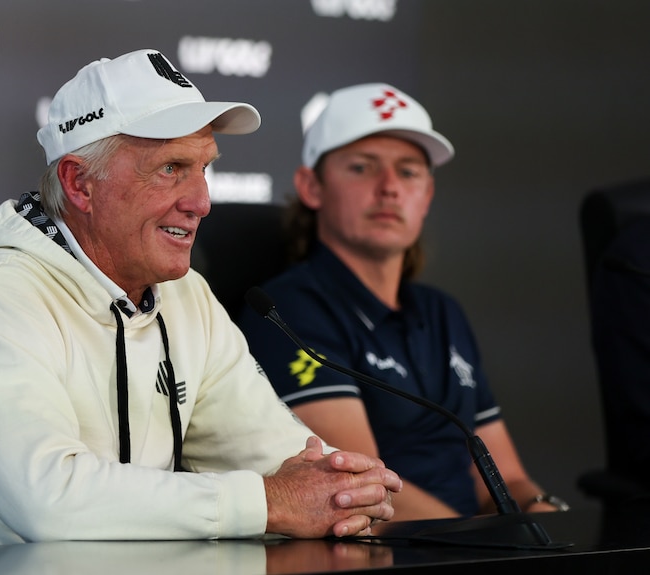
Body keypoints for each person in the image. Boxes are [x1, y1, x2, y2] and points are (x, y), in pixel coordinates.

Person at [0, 50, 402, 551]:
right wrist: (269, 502)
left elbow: (274, 452)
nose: (201, 202)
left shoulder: (185, 297)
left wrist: (344, 490)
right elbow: (51, 502)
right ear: (80, 184)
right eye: (171, 168)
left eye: (204, 168)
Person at [237, 83, 567, 524]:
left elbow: (507, 479)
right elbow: (361, 491)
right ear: (311, 187)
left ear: (427, 195)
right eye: (361, 168)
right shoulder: (289, 309)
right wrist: (488, 548)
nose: (390, 187)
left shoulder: (442, 311)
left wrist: (547, 523)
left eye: (409, 172)